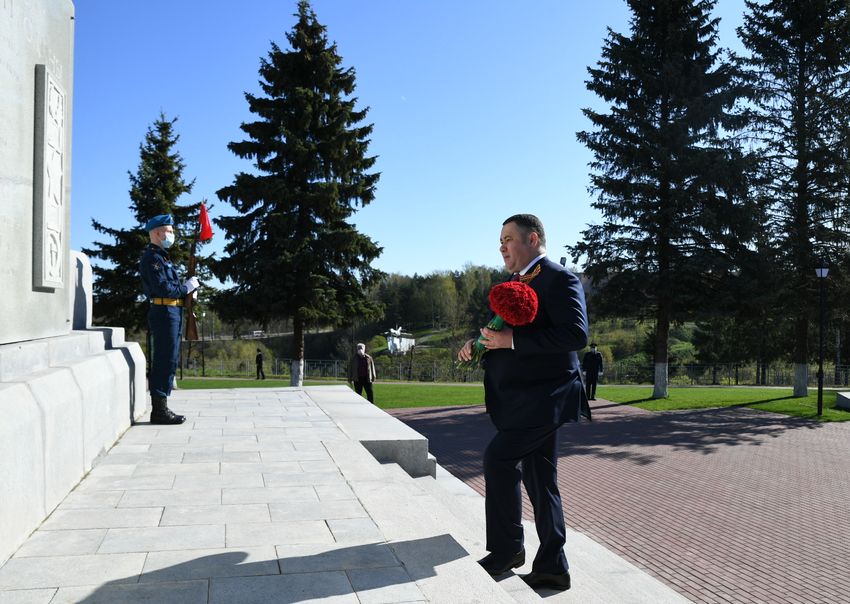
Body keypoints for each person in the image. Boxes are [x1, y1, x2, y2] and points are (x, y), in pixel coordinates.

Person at [457, 214, 590, 592]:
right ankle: (553, 566)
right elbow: (502, 332)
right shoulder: (515, 284)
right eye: (500, 240)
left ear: (533, 239)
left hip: (547, 399)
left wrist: (512, 341)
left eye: (508, 238)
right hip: (523, 400)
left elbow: (576, 334)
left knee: (498, 459)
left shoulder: (560, 277)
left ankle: (507, 550)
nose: (501, 246)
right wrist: (478, 343)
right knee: (541, 480)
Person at [139, 214, 199, 425]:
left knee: (170, 358)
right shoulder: (152, 258)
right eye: (169, 231)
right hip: (164, 312)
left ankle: (162, 406)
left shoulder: (163, 257)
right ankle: (159, 410)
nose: (172, 235)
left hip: (172, 312)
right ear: (157, 233)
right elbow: (163, 288)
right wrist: (185, 288)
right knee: (164, 359)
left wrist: (187, 292)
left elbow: (170, 287)